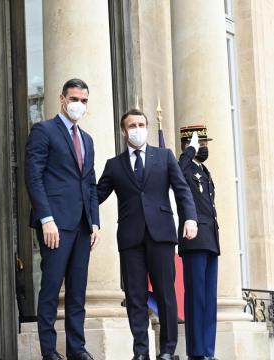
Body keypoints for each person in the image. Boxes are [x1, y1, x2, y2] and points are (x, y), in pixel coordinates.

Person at [97, 109, 198, 360]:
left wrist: (191, 219)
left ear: (147, 127)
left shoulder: (164, 157)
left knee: (165, 294)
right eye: (132, 125)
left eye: (141, 124)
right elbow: (95, 196)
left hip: (161, 235)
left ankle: (167, 350)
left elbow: (182, 189)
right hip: (131, 239)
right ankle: (141, 351)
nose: (137, 129)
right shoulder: (114, 165)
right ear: (123, 131)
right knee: (135, 297)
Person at [25, 78, 100, 360]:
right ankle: (48, 351)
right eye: (74, 99)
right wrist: (46, 219)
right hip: (54, 225)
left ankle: (76, 349)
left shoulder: (87, 139)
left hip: (82, 225)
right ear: (62, 99)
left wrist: (94, 222)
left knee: (78, 291)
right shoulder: (44, 131)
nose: (78, 105)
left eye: (84, 100)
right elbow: (33, 177)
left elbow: (90, 183)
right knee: (51, 287)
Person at [177, 125, 219, 360]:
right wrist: (188, 153)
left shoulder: (204, 171)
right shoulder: (184, 166)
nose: (205, 148)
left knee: (209, 298)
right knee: (196, 297)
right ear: (189, 145)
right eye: (200, 144)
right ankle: (196, 351)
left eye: (205, 144)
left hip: (210, 238)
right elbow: (175, 173)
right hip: (193, 239)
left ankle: (208, 351)